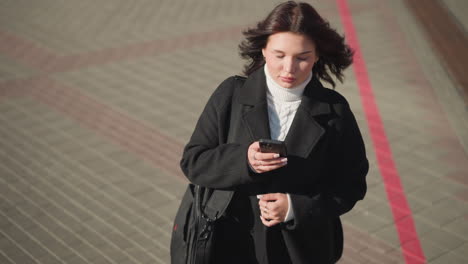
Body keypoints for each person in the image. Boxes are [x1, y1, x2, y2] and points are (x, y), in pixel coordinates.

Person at [175, 1, 368, 263]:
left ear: (317, 55)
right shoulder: (231, 93)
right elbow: (193, 162)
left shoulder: (334, 110)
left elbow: (350, 185)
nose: (289, 68)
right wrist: (244, 160)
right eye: (279, 55)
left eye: (302, 58)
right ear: (263, 49)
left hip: (298, 249)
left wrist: (295, 207)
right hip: (227, 241)